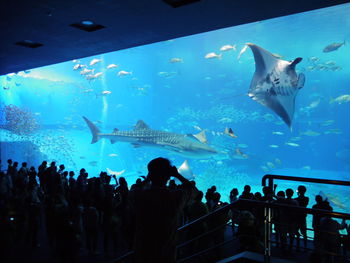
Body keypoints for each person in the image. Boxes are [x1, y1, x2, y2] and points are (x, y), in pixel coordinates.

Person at [129, 157, 197, 263]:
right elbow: (193, 190)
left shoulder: (139, 195)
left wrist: (148, 179)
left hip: (142, 248)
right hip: (165, 250)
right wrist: (177, 175)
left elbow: (133, 189)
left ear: (150, 174)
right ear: (169, 175)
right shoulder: (175, 197)